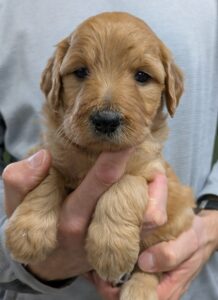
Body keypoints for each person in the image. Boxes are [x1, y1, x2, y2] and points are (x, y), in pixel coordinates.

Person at [0, 0, 217, 300]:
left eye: (142, 77)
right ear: (54, 85)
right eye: (80, 72)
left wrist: (213, 219)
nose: (107, 110)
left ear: (171, 91)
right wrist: (19, 259)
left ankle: (146, 275)